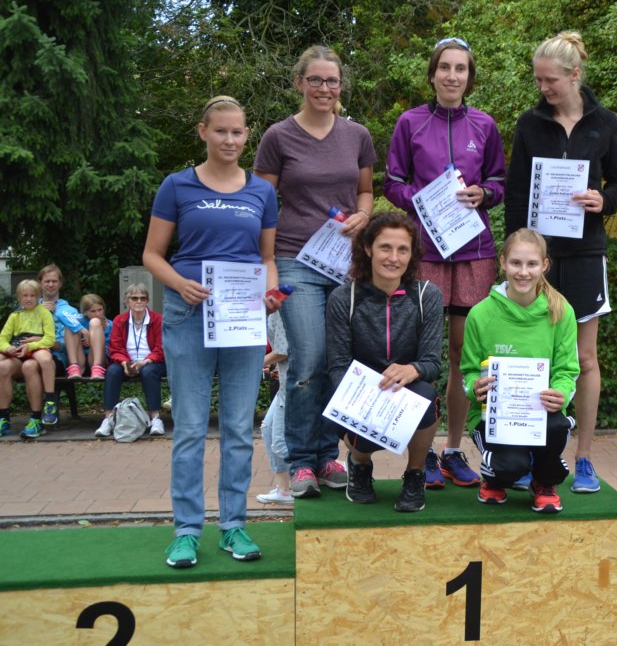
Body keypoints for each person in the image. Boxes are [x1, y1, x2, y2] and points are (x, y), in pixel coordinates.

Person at [143, 95, 279, 569]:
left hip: (242, 318)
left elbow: (266, 258)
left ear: (247, 135)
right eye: (220, 131)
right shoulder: (176, 186)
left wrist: (271, 293)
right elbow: (152, 254)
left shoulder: (261, 191)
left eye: (237, 132)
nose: (229, 139)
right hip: (188, 315)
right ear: (203, 132)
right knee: (190, 428)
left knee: (239, 428)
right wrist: (179, 283)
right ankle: (186, 532)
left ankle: (234, 526)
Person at [505, 31, 617, 494]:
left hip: (585, 254)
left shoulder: (606, 123)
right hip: (538, 257)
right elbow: (516, 190)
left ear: (575, 75)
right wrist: (515, 251)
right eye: (538, 80)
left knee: (583, 357)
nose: (543, 88)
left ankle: (584, 459)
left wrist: (604, 200)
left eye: (550, 80)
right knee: (533, 355)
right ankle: (530, 455)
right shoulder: (529, 123)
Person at [383, 36, 506, 491]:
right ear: (432, 73)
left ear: (469, 77)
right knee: (422, 354)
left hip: (474, 252)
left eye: (461, 69)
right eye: (445, 67)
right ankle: (423, 454)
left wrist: (484, 193)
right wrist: (423, 199)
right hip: (425, 252)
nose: (452, 76)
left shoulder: (484, 124)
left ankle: (453, 449)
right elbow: (392, 182)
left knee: (463, 354)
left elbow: (499, 181)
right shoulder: (410, 122)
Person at [254, 44, 376, 499]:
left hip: (345, 261)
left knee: (338, 360)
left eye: (332, 80)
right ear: (299, 83)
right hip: (293, 259)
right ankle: (301, 461)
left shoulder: (357, 135)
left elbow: (365, 192)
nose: (325, 88)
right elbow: (260, 202)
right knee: (307, 357)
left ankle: (329, 456)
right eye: (316, 80)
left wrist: (363, 215)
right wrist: (265, 264)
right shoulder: (278, 137)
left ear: (341, 85)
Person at [325, 213, 443, 512]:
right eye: (385, 247)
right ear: (368, 248)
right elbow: (337, 365)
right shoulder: (344, 297)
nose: (393, 258)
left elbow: (432, 362)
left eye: (403, 249)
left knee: (428, 396)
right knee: (356, 431)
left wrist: (413, 369)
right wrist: (364, 398)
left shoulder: (427, 295)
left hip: (405, 391)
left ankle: (415, 474)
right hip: (360, 395)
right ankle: (360, 463)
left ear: (412, 254)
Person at [462, 228, 580, 514]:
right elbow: (468, 371)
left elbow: (567, 370)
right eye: (516, 263)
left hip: (540, 414)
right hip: (494, 416)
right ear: (503, 262)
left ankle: (544, 481)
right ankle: (494, 478)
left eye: (532, 264)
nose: (523, 272)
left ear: (544, 265)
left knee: (558, 427)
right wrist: (475, 387)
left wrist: (561, 393)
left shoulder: (561, 311)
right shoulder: (480, 314)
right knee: (510, 466)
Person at [94, 285, 166, 438]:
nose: (139, 301)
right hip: (126, 361)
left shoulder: (157, 319)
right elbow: (115, 347)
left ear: (147, 301)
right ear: (127, 301)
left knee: (149, 372)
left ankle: (155, 418)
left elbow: (161, 348)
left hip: (152, 362)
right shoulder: (120, 320)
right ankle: (108, 419)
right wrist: (125, 363)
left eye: (143, 298)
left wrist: (145, 362)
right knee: (112, 372)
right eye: (134, 298)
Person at [0, 280, 57, 438]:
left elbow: (50, 339)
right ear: (19, 297)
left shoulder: (44, 313)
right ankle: (3, 418)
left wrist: (31, 346)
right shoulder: (15, 315)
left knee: (34, 364)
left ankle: (39, 416)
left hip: (36, 349)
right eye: (25, 295)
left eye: (32, 295)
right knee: (2, 367)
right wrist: (7, 348)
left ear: (38, 297)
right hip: (18, 350)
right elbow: (2, 338)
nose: (28, 298)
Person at [257, 312, 293, 505]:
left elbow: (283, 350)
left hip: (293, 383)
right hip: (286, 379)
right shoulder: (273, 311)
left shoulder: (280, 308)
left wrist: (257, 362)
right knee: (268, 428)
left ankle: (322, 468)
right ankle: (284, 489)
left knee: (279, 442)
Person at [38, 264, 92, 382]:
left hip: (60, 358)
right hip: (32, 353)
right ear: (40, 283)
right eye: (47, 281)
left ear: (60, 283)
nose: (50, 284)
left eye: (54, 281)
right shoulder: (30, 308)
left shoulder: (70, 311)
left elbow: (66, 344)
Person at [77, 294, 112, 387]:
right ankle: (75, 367)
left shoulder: (110, 324)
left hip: (100, 361)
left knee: (95, 322)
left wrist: (92, 341)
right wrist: (82, 339)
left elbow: (111, 348)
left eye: (100, 310)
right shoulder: (79, 322)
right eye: (93, 311)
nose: (97, 314)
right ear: (85, 312)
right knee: (71, 326)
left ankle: (97, 367)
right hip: (81, 360)